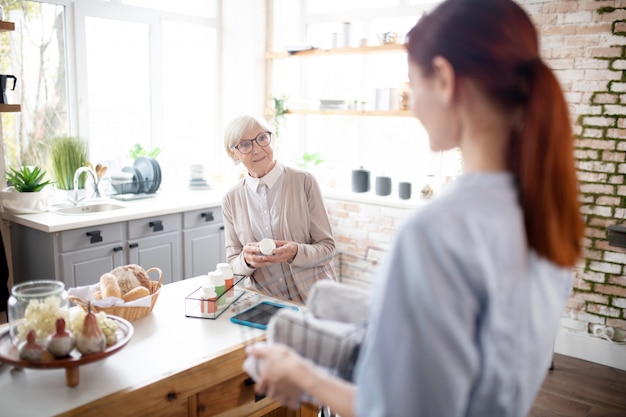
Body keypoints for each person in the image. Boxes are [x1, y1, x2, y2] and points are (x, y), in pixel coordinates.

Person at [246, 0, 585, 416]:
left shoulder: (438, 231)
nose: (411, 102)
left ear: (443, 79)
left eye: (412, 83)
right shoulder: (548, 212)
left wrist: (299, 374)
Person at [221, 113, 336, 303]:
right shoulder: (231, 199)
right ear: (234, 152)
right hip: (266, 305)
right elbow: (233, 265)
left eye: (262, 138)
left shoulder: (304, 182)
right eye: (245, 144)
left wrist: (296, 252)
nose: (257, 149)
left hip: (314, 302)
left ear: (271, 139)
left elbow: (327, 248)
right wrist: (246, 260)